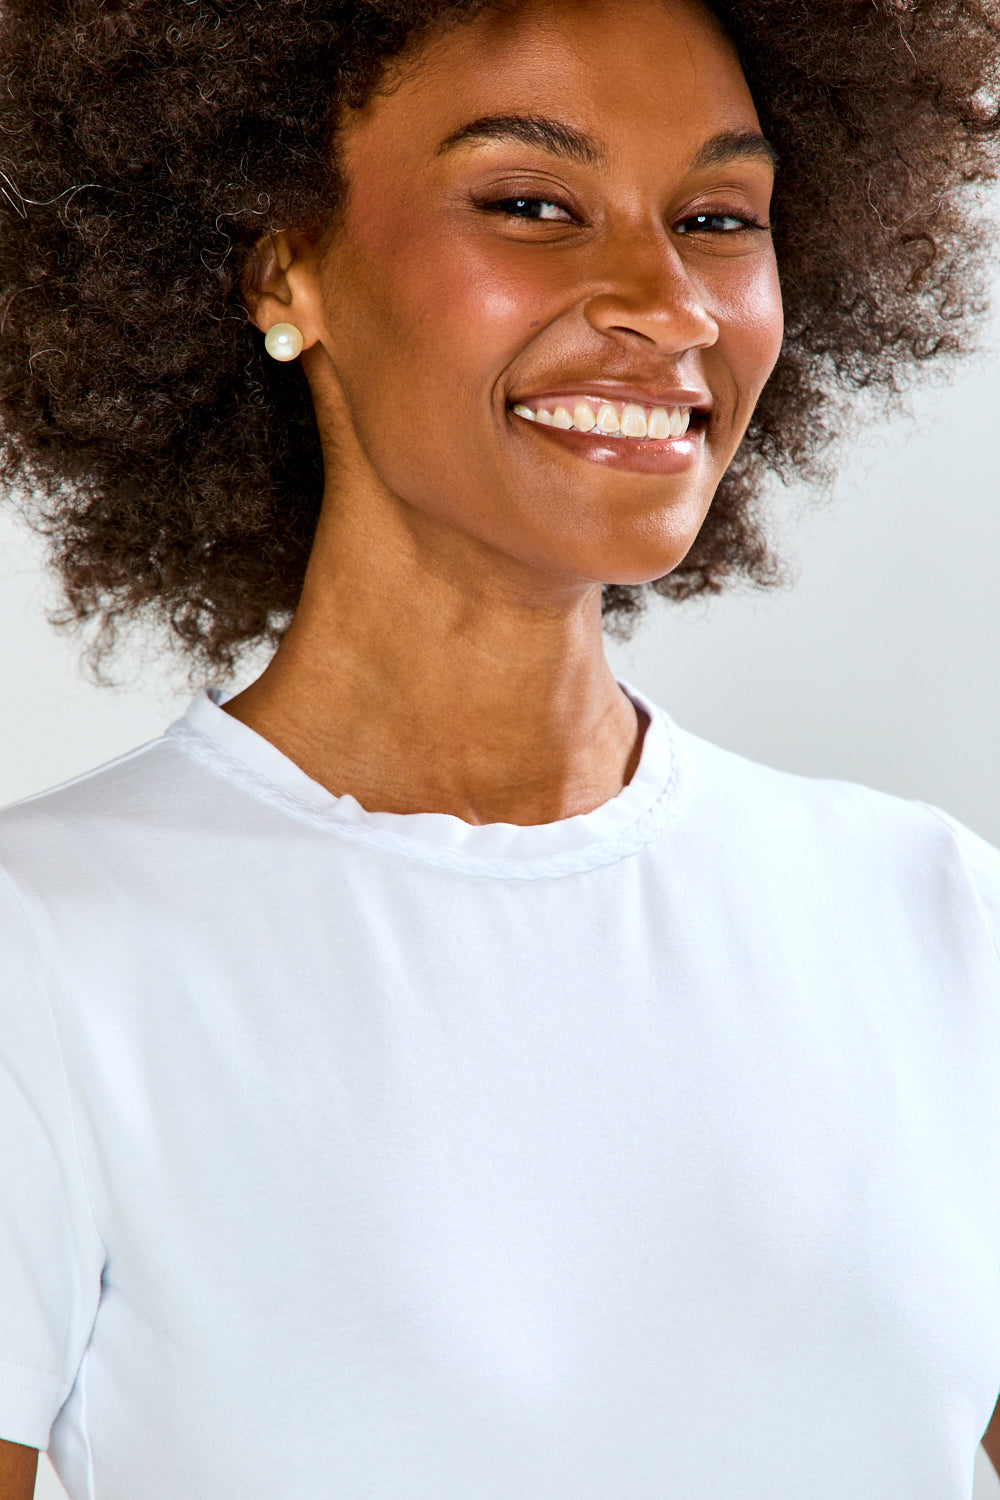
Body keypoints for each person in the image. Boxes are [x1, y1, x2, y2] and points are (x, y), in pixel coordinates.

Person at [0, 0, 998, 1495]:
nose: (670, 303)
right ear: (286, 263)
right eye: (533, 203)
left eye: (718, 216)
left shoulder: (934, 919)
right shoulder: (52, 950)